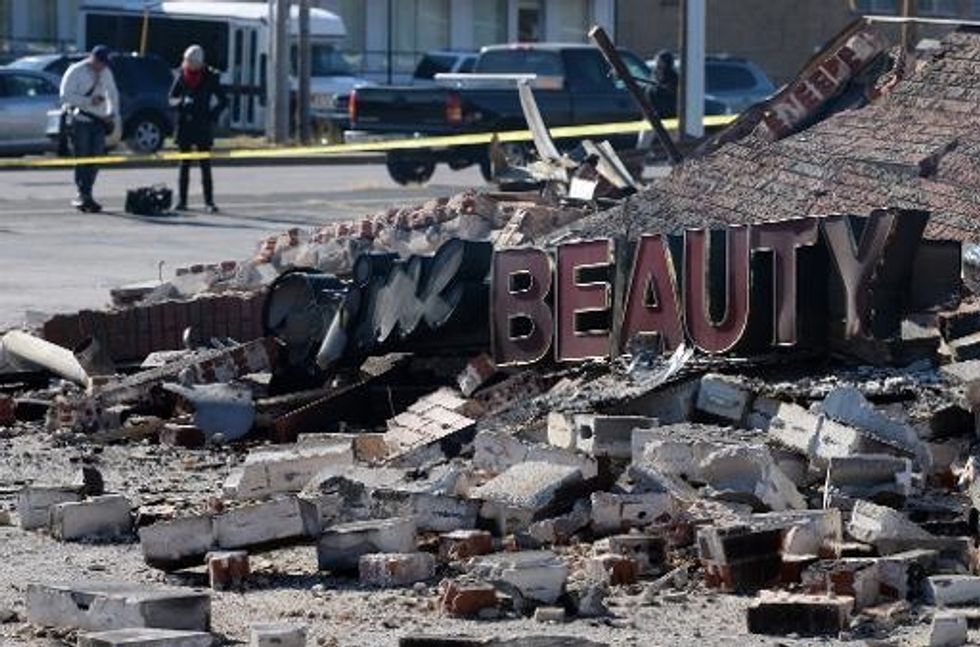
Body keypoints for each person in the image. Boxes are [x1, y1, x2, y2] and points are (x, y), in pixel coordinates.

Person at [60, 45, 118, 213]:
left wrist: (111, 113)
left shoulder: (106, 72)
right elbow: (65, 96)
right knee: (83, 157)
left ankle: (88, 192)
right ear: (93, 58)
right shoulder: (76, 71)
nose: (103, 66)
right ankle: (82, 194)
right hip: (81, 120)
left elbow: (112, 94)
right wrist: (88, 101)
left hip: (99, 121)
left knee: (96, 158)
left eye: (105, 63)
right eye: (101, 62)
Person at [169, 44, 228, 212]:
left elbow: (223, 100)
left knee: (205, 165)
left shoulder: (210, 77)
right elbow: (171, 98)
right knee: (184, 164)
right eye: (186, 61)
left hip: (202, 124)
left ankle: (209, 202)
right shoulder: (181, 75)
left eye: (190, 61)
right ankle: (182, 201)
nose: (187, 64)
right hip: (185, 125)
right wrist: (181, 103)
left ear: (199, 62)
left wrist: (212, 115)